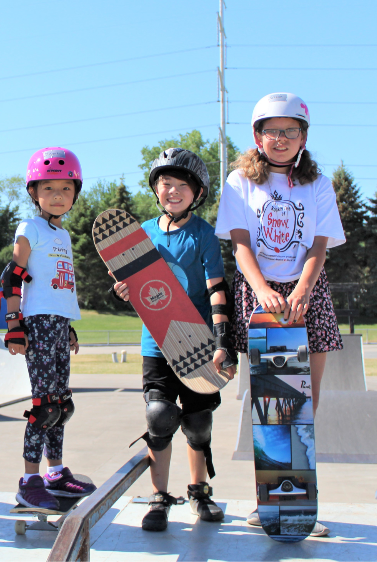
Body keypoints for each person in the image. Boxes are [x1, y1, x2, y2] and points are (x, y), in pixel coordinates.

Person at [215, 92, 345, 537]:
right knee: (271, 407)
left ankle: (301, 502)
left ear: (303, 137)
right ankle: (267, 502)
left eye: (292, 130)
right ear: (257, 136)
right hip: (260, 296)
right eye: (273, 130)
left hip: (308, 294)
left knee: (304, 406)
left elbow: (319, 244)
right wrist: (264, 290)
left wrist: (303, 290)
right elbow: (240, 244)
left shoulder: (318, 184)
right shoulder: (239, 182)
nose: (282, 138)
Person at [111, 148, 237, 531]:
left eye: (183, 185)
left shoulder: (204, 235)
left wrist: (223, 341)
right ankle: (158, 496)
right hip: (156, 342)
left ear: (197, 193)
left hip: (198, 341)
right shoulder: (142, 234)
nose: (174, 191)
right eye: (166, 183)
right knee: (159, 417)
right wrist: (121, 291)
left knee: (198, 422)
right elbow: (138, 286)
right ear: (156, 188)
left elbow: (217, 288)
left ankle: (200, 491)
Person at [0, 147, 96, 510]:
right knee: (43, 407)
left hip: (58, 324)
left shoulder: (64, 236)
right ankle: (29, 480)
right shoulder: (30, 227)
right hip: (37, 324)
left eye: (66, 189)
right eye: (49, 188)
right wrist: (14, 324)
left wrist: (68, 326)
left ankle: (55, 474)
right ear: (34, 192)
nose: (58, 196)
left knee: (62, 404)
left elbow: (60, 285)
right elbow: (13, 275)